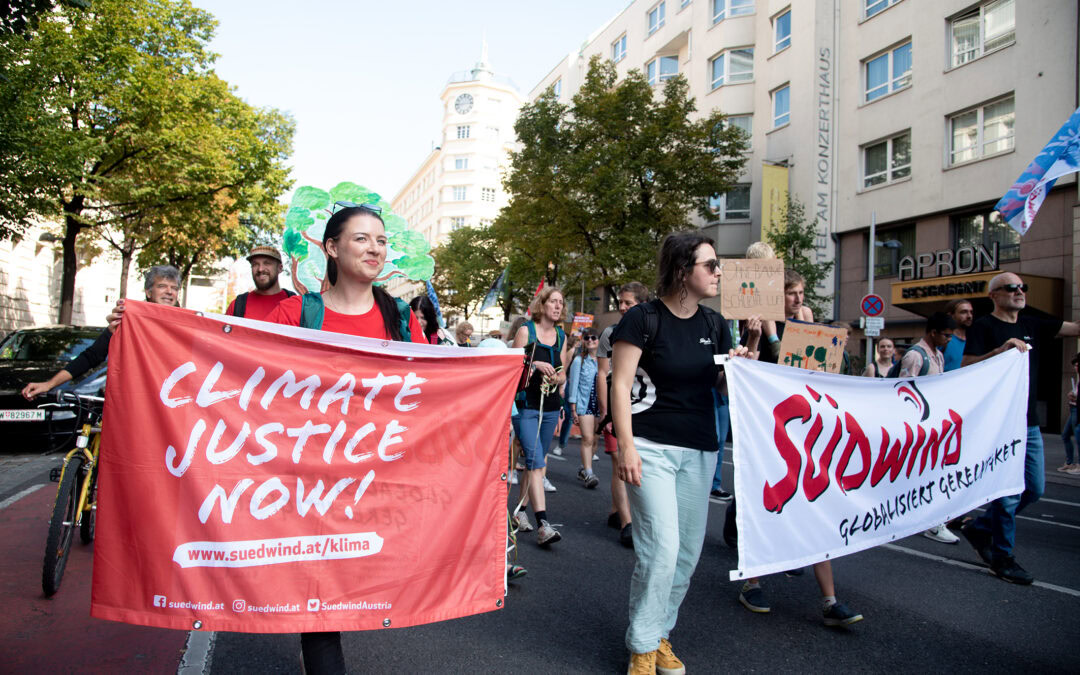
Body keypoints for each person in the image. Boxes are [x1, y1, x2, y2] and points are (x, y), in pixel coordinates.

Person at [611, 232, 752, 674]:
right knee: (662, 549)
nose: (718, 272)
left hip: (700, 450)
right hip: (650, 447)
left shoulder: (715, 324)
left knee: (687, 554)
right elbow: (619, 384)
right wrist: (626, 447)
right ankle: (641, 647)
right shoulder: (642, 319)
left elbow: (723, 388)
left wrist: (742, 364)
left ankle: (658, 635)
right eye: (710, 265)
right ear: (681, 270)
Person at [734, 269, 863, 627]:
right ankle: (752, 581)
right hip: (771, 431)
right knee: (768, 503)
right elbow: (755, 369)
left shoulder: (810, 330)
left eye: (802, 292)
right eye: (791, 293)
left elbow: (824, 374)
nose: (798, 299)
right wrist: (766, 336)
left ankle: (830, 599)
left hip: (809, 428)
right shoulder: (759, 327)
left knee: (815, 503)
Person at [960, 272, 1080, 584]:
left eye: (1021, 287)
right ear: (994, 296)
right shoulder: (985, 326)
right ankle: (1003, 558)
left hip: (1029, 422)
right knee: (1008, 494)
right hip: (1000, 422)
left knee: (1035, 488)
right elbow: (966, 366)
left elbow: (1074, 329)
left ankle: (980, 528)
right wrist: (999, 352)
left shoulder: (1033, 323)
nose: (1018, 292)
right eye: (1010, 288)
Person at [22, 266, 181, 399]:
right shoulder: (127, 321)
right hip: (133, 405)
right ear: (148, 292)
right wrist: (49, 384)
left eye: (174, 288)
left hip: (170, 408)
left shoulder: (188, 328)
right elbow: (92, 356)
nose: (169, 291)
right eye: (162, 286)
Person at [512, 286, 569, 547]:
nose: (558, 306)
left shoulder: (561, 336)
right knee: (535, 462)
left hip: (550, 406)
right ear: (542, 304)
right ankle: (544, 524)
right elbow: (511, 366)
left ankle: (519, 512)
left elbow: (563, 374)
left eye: (561, 302)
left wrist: (558, 377)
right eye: (553, 302)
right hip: (526, 406)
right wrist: (533, 365)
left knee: (538, 462)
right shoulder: (527, 331)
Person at [897, 312, 960, 544]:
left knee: (929, 473)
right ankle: (930, 522)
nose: (949, 339)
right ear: (933, 332)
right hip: (916, 426)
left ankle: (930, 520)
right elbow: (902, 392)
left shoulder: (938, 356)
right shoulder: (916, 356)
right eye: (946, 335)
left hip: (931, 424)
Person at [596, 281, 648, 547]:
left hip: (644, 410)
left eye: (628, 302)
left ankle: (620, 511)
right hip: (618, 408)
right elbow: (603, 374)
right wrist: (606, 414)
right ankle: (627, 523)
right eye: (620, 303)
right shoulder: (610, 333)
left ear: (642, 304)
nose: (622, 307)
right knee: (619, 464)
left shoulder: (652, 329)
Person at [566, 328, 600, 489]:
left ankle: (583, 468)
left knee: (595, 440)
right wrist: (573, 409)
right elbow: (573, 386)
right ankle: (588, 472)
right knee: (587, 438)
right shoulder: (579, 360)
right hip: (584, 404)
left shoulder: (604, 361)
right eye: (587, 338)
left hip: (600, 405)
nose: (590, 340)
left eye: (594, 337)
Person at [226, 246, 295, 320]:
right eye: (255, 264)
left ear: (280, 268)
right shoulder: (237, 306)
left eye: (267, 263)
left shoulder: (295, 303)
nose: (260, 269)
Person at [555, 334, 581, 455]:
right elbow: (564, 369)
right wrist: (562, 386)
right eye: (586, 338)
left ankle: (590, 448)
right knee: (569, 415)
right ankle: (561, 444)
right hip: (570, 384)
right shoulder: (573, 351)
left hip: (584, 387)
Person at [1057, 356, 1080, 474]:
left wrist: (1075, 397)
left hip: (1076, 408)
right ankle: (1069, 462)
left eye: (1077, 365)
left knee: (1078, 436)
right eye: (1075, 365)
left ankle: (1078, 465)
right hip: (1073, 408)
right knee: (1065, 434)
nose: (1076, 368)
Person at [942, 299, 973, 372]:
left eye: (971, 312)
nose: (969, 316)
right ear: (950, 315)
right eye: (964, 312)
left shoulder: (975, 341)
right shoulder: (943, 340)